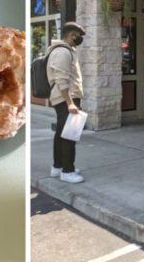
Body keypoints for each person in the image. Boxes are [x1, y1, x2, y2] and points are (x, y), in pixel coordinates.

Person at [47, 22, 86, 182]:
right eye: (79, 36)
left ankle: (58, 167)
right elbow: (61, 80)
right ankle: (67, 171)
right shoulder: (63, 52)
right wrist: (70, 102)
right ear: (71, 35)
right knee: (70, 135)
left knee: (61, 134)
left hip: (63, 97)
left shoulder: (61, 50)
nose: (80, 39)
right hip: (66, 98)